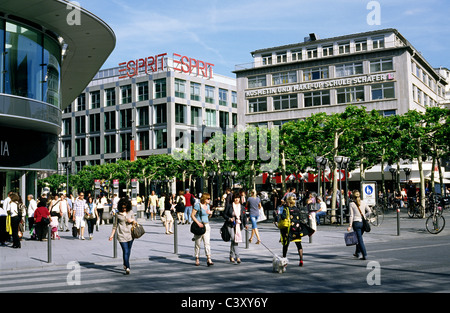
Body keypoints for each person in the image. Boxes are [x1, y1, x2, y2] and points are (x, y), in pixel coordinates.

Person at [280, 196, 314, 266]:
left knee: (286, 245)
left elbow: (283, 217)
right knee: (299, 245)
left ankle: (284, 260)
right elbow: (301, 218)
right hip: (297, 229)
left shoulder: (286, 209)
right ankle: (301, 260)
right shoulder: (297, 209)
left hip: (289, 230)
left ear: (288, 202)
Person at [109, 197, 136, 275]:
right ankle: (127, 267)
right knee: (125, 250)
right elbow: (115, 226)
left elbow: (135, 222)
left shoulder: (130, 212)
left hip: (130, 234)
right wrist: (111, 235)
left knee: (129, 250)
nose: (124, 209)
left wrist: (132, 221)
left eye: (125, 207)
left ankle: (125, 262)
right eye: (123, 207)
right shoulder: (117, 214)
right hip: (121, 235)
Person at [223, 192, 248, 264]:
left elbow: (244, 216)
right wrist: (229, 219)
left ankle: (231, 256)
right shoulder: (229, 206)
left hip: (238, 225)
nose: (237, 199)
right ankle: (238, 257)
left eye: (238, 198)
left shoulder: (242, 207)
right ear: (233, 199)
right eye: (235, 198)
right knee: (234, 239)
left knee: (234, 241)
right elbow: (224, 214)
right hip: (230, 225)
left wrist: (245, 224)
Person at [347, 189, 371, 260]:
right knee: (358, 237)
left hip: (356, 223)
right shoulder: (363, 202)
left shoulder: (351, 204)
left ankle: (365, 254)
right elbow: (369, 211)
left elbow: (351, 215)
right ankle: (357, 252)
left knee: (359, 239)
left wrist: (350, 225)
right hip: (362, 223)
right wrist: (364, 216)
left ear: (353, 197)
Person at [191, 192, 213, 266]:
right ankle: (197, 257)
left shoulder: (208, 206)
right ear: (204, 199)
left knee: (207, 242)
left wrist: (210, 214)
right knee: (198, 243)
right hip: (199, 226)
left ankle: (208, 258)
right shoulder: (198, 205)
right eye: (208, 198)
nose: (209, 200)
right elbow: (192, 215)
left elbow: (207, 217)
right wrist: (198, 223)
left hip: (206, 225)